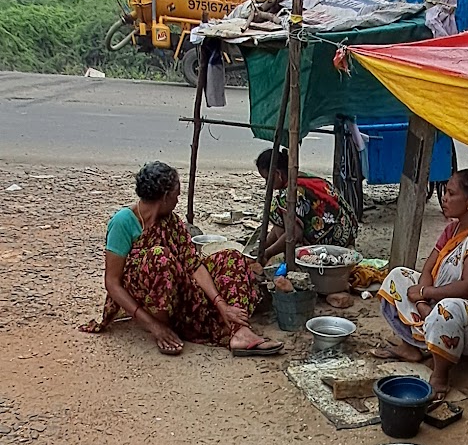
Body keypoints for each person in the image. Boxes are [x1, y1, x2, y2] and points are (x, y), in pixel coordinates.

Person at [83, 161, 283, 357]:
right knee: (159, 257)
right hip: (145, 297)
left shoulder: (172, 222)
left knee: (231, 258)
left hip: (177, 290)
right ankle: (163, 325)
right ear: (165, 197)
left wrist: (222, 305)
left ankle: (239, 331)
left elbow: (193, 265)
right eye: (176, 196)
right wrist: (154, 326)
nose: (178, 201)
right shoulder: (123, 222)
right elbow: (112, 283)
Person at [374, 170, 468, 398]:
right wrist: (423, 301)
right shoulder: (453, 229)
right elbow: (428, 268)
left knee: (447, 310)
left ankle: (440, 376)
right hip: (438, 303)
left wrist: (424, 294)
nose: (444, 198)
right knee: (397, 276)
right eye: (445, 193)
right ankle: (411, 347)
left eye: (451, 193)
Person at [256, 149, 358, 262]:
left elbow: (294, 233)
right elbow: (278, 225)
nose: (267, 184)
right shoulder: (302, 177)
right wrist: (264, 246)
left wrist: (268, 253)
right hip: (348, 228)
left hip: (335, 238)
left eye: (267, 179)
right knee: (280, 214)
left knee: (277, 208)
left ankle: (288, 255)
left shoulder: (290, 192)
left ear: (278, 174)